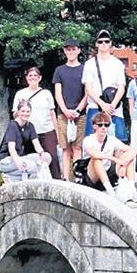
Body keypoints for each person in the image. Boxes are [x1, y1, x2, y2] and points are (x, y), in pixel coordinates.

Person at [12, 66, 61, 179]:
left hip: (46, 130)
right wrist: (21, 112)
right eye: (30, 75)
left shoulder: (46, 93)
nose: (33, 78)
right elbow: (15, 113)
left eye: (35, 75)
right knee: (31, 161)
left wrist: (57, 133)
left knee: (52, 158)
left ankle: (56, 181)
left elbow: (52, 113)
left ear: (40, 78)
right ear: (26, 78)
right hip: (28, 133)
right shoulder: (20, 94)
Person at [82, 29, 127, 140]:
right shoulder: (89, 64)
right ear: (96, 44)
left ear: (110, 43)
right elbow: (88, 88)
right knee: (92, 142)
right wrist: (102, 105)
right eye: (100, 41)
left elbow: (121, 87)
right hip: (95, 106)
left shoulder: (117, 63)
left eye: (106, 41)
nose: (103, 44)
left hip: (114, 109)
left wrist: (111, 106)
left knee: (118, 143)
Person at [52, 38, 87, 181]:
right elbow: (58, 94)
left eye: (73, 49)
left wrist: (78, 110)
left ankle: (77, 178)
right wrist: (65, 111)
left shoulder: (84, 69)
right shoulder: (59, 70)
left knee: (77, 147)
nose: (71, 52)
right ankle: (66, 178)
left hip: (81, 115)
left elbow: (87, 93)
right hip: (63, 114)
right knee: (65, 148)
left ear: (78, 51)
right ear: (64, 51)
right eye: (68, 49)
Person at [81, 112, 137, 196]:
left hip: (108, 172)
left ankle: (132, 189)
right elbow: (94, 154)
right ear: (94, 126)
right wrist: (115, 159)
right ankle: (110, 190)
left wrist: (124, 164)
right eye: (100, 125)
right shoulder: (88, 140)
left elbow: (133, 150)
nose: (103, 128)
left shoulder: (111, 139)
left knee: (128, 157)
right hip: (92, 176)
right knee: (97, 160)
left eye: (106, 125)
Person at [0, 101, 52, 182]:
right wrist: (18, 162)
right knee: (32, 166)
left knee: (47, 158)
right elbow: (11, 148)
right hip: (6, 160)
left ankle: (19, 176)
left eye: (28, 111)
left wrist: (42, 153)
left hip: (21, 157)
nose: (25, 114)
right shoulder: (12, 126)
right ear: (18, 112)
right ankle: (11, 176)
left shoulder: (30, 126)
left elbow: (37, 144)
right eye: (23, 111)